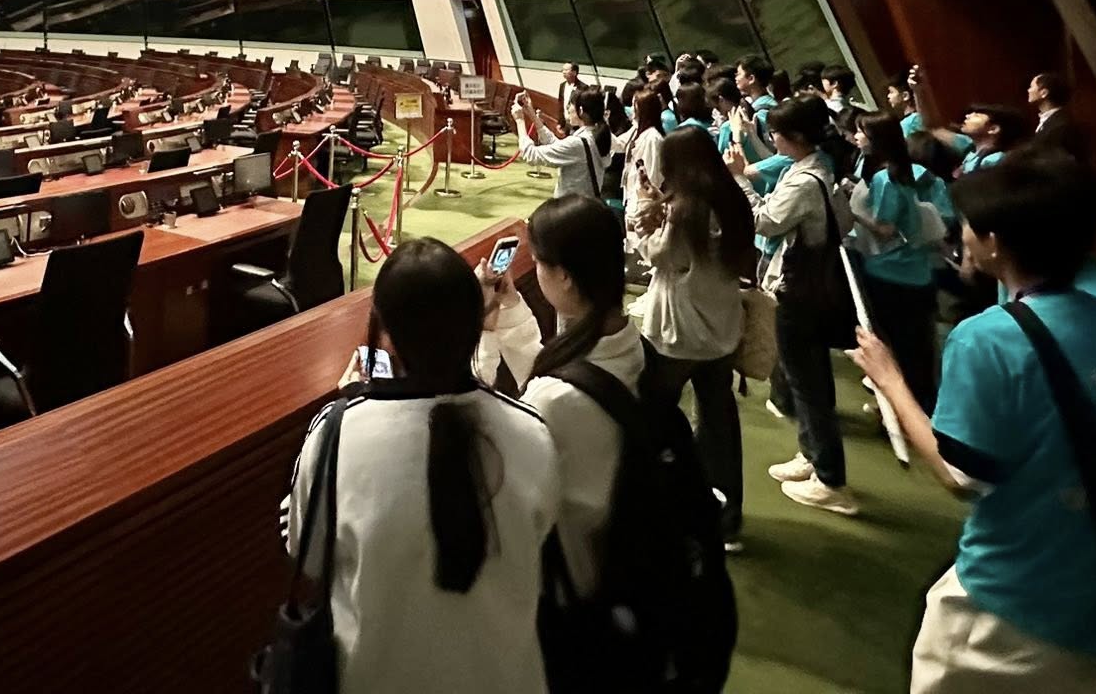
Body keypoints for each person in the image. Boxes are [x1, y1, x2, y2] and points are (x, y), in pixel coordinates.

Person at [853, 152, 1096, 693]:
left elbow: (960, 475)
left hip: (1013, 603)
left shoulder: (988, 339)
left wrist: (891, 382)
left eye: (969, 225)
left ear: (994, 243)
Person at [288, 239, 559, 694]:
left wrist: (352, 402)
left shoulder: (336, 435)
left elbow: (308, 554)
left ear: (387, 335)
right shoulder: (532, 432)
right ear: (478, 323)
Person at [476, 195, 644, 591]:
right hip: (617, 547)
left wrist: (483, 331)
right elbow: (563, 374)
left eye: (538, 262)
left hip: (568, 574)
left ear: (565, 276)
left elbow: (481, 421)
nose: (535, 271)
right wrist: (510, 308)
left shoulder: (554, 400)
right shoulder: (632, 342)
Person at [730, 98, 856, 515]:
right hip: (809, 290)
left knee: (808, 386)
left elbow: (764, 222)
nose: (772, 139)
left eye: (776, 133)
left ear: (796, 136)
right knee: (809, 382)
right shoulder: (816, 167)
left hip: (799, 294)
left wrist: (739, 179)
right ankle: (813, 455)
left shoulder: (804, 181)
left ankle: (830, 480)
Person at [633, 127, 757, 545]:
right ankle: (726, 519)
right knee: (719, 423)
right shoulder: (732, 200)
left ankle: (655, 506)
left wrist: (642, 220)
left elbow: (661, 256)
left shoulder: (687, 211)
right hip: (721, 330)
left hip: (678, 335)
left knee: (653, 419)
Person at [850, 116, 949, 413]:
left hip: (891, 272)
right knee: (918, 349)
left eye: (861, 132)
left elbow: (886, 228)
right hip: (915, 271)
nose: (856, 137)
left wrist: (853, 212)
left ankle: (910, 413)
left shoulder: (885, 178)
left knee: (902, 350)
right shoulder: (902, 170)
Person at [513, 88, 611, 200]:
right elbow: (558, 146)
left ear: (581, 110)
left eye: (570, 104)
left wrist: (519, 121)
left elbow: (531, 155)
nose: (568, 108)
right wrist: (532, 114)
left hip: (573, 207)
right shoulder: (595, 135)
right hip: (585, 204)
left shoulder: (578, 143)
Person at [1026, 71, 1089, 163]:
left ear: (1044, 93)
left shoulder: (1061, 125)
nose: (1028, 90)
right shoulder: (1049, 121)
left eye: (1031, 86)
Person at [616, 89, 667, 197]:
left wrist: (642, 199)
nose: (631, 109)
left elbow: (652, 177)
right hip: (632, 194)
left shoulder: (652, 138)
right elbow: (619, 144)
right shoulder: (636, 130)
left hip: (644, 199)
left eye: (634, 105)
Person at [556, 61, 584, 127]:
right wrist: (560, 122)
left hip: (577, 124)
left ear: (574, 72)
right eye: (563, 70)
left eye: (566, 70)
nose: (563, 72)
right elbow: (560, 104)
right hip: (565, 123)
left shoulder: (582, 87)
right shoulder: (562, 85)